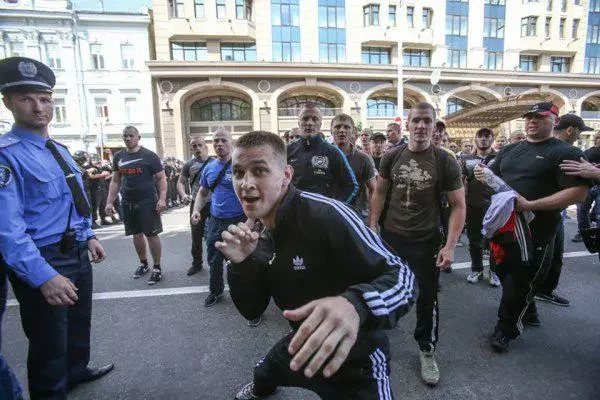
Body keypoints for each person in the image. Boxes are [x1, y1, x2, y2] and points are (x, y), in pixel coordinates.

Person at [216, 130, 416, 400]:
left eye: (259, 171)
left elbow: (403, 276)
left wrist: (355, 305)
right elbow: (252, 308)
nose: (246, 183)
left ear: (286, 176)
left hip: (357, 362)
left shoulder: (327, 215)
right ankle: (261, 389)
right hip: (303, 344)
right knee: (264, 372)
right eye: (238, 173)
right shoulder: (257, 238)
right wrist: (242, 265)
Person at [0, 56, 113, 399]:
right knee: (49, 343)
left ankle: (77, 372)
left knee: (79, 324)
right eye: (27, 98)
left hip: (76, 250)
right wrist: (43, 276)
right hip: (43, 258)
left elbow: (72, 200)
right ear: (8, 102)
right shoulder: (6, 155)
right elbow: (7, 230)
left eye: (45, 99)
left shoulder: (59, 150)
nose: (39, 107)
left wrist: (89, 235)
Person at [475, 102, 589, 353]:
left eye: (539, 117)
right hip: (503, 227)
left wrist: (530, 205)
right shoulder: (510, 150)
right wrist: (483, 176)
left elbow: (579, 193)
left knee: (520, 279)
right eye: (528, 117)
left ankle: (505, 330)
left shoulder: (565, 152)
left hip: (536, 230)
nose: (532, 121)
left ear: (555, 121)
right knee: (502, 271)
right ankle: (529, 307)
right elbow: (493, 179)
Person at [369, 102, 466, 386]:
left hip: (426, 240)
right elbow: (381, 191)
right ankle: (375, 342)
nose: (421, 126)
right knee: (382, 291)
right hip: (392, 237)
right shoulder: (391, 155)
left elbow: (458, 205)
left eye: (427, 121)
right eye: (416, 121)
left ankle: (426, 348)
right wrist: (372, 226)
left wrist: (449, 246)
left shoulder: (444, 160)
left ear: (435, 126)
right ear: (407, 125)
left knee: (426, 297)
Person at [535, 114, 594, 307]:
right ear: (571, 130)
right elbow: (580, 193)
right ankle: (534, 296)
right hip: (545, 212)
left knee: (550, 254)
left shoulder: (546, 148)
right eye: (579, 132)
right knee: (545, 256)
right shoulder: (569, 151)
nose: (578, 136)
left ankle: (541, 290)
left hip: (546, 210)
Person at [190, 128, 251, 315]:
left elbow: (252, 192)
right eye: (216, 141)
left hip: (239, 219)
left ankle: (249, 299)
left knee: (243, 261)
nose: (219, 144)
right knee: (214, 259)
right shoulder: (209, 168)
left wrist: (252, 219)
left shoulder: (242, 166)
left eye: (224, 140)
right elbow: (202, 192)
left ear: (231, 143)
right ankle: (215, 292)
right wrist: (196, 210)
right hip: (216, 221)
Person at [105, 125, 168, 285]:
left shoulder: (149, 155)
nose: (128, 138)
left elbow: (161, 178)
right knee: (136, 234)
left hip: (147, 201)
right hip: (128, 202)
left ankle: (157, 267)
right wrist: (109, 202)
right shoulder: (119, 156)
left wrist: (162, 199)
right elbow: (115, 180)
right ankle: (144, 263)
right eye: (125, 136)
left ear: (138, 137)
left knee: (151, 234)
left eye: (131, 136)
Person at [287, 103, 358, 204]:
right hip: (292, 213)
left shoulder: (333, 152)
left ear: (320, 124)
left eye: (315, 119)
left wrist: (333, 209)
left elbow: (351, 186)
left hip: (321, 216)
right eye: (305, 118)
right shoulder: (287, 151)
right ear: (299, 123)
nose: (310, 123)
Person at [460, 128, 500, 287]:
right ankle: (476, 269)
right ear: (475, 139)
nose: (483, 139)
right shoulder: (466, 159)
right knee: (474, 240)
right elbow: (462, 182)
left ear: (492, 139)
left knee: (495, 241)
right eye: (480, 136)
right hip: (473, 207)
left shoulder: (499, 158)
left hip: (495, 206)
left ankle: (494, 271)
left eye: (487, 136)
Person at [177, 137, 214, 276]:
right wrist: (183, 194)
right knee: (196, 236)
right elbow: (180, 183)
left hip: (213, 203)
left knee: (217, 234)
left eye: (200, 145)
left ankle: (223, 261)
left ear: (206, 147)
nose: (197, 148)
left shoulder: (215, 163)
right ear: (191, 149)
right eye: (194, 146)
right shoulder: (189, 165)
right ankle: (197, 263)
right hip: (196, 205)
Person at [331, 114, 377, 222]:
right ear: (331, 130)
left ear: (353, 131)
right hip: (328, 216)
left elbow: (373, 189)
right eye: (337, 127)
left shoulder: (363, 159)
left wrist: (372, 222)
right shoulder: (323, 156)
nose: (342, 130)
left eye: (346, 127)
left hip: (355, 217)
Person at [573, 130, 600, 242]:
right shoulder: (588, 151)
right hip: (588, 185)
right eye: (598, 138)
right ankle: (584, 233)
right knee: (582, 210)